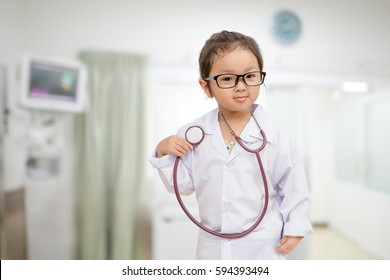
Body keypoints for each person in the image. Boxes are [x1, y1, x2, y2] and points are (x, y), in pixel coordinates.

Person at [149, 30, 313, 260]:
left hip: (264, 245)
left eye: (250, 76)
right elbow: (182, 185)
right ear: (206, 87)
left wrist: (296, 227)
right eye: (227, 78)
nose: (240, 86)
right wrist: (163, 151)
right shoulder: (193, 133)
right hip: (213, 246)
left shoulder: (276, 135)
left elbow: (294, 184)